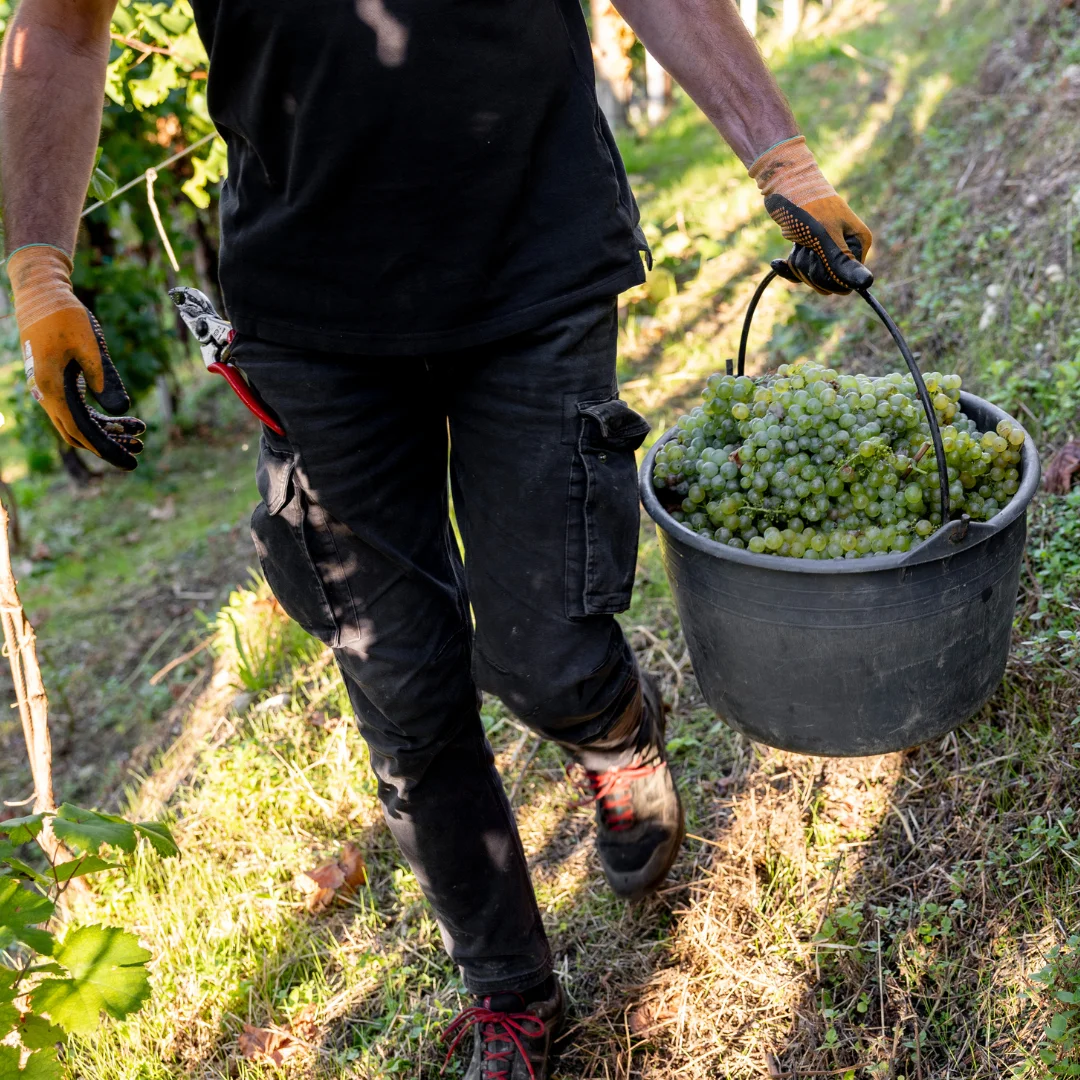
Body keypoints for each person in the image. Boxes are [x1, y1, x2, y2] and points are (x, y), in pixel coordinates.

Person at [0, 1, 872, 1074]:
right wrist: (41, 267)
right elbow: (62, 26)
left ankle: (607, 722)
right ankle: (510, 990)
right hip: (309, 318)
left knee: (544, 655)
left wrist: (778, 153)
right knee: (401, 686)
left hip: (535, 255)